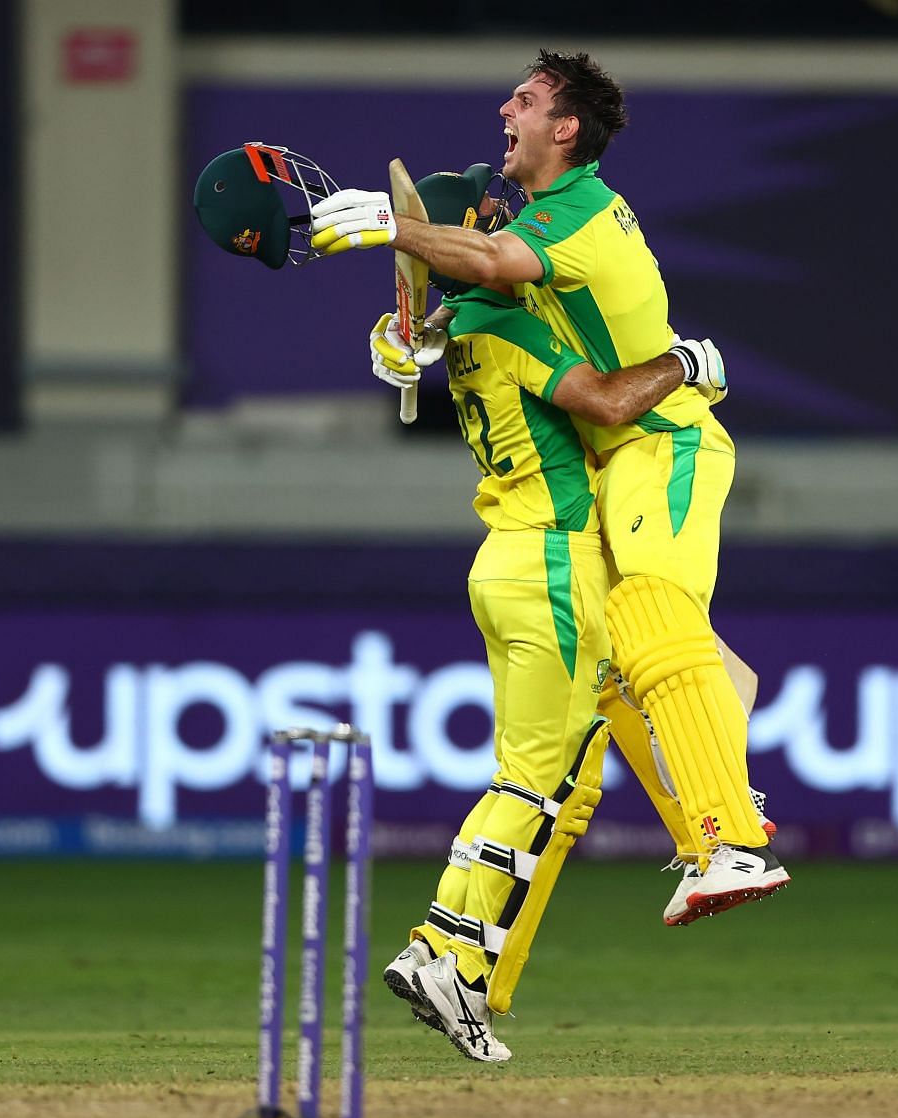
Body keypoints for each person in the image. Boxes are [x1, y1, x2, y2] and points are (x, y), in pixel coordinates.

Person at [308, 51, 789, 924]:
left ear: (565, 129)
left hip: (666, 441)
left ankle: (729, 842)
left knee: (648, 606)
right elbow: (493, 294)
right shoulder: (544, 222)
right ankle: (713, 814)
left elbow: (493, 263)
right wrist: (415, 330)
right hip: (619, 460)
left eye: (525, 100)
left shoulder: (579, 210)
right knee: (627, 669)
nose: (505, 109)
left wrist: (393, 227)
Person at [369, 167, 728, 1062]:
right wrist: (685, 362)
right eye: (493, 218)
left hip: (503, 562)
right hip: (559, 564)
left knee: (566, 780)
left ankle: (467, 963)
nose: (510, 222)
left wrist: (395, 331)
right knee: (531, 780)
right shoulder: (506, 319)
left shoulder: (455, 327)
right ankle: (440, 950)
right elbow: (607, 401)